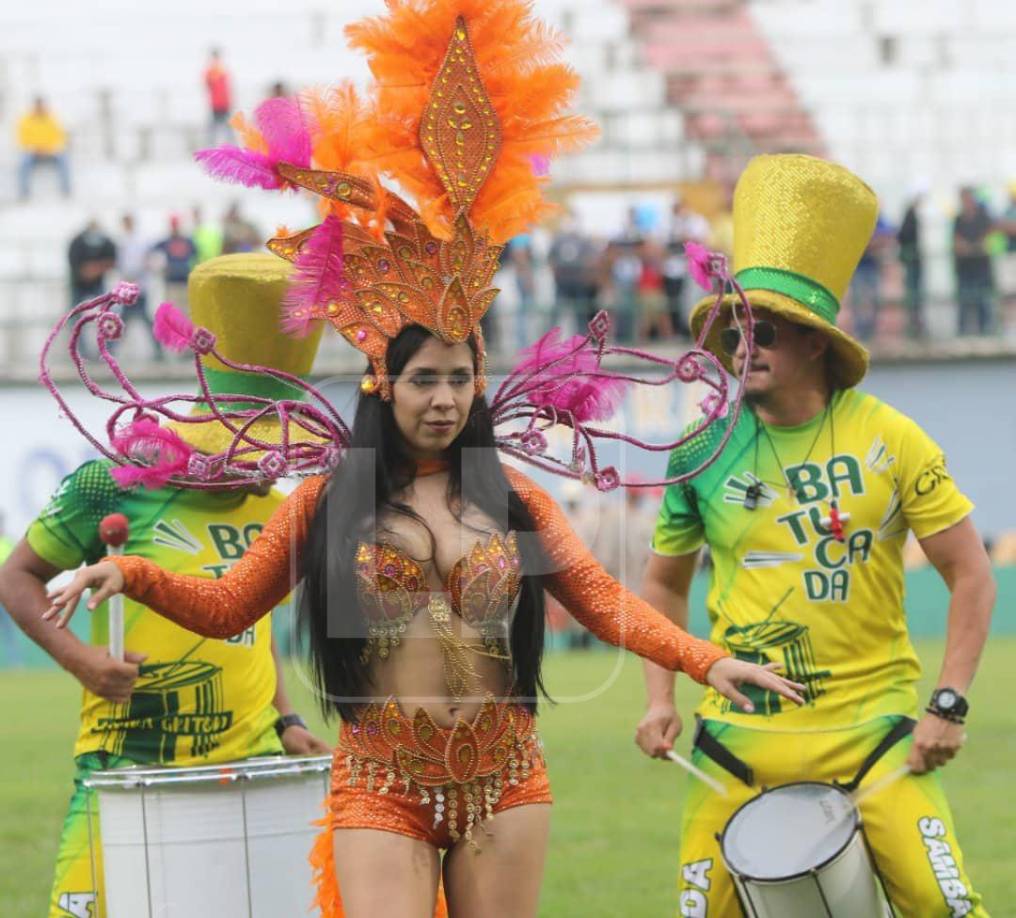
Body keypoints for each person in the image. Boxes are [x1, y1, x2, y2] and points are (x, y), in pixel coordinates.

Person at [41, 7, 804, 915]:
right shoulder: (333, 498)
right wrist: (129, 572)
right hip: (380, 779)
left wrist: (706, 661)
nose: (443, 399)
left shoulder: (513, 500)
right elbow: (225, 604)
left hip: (505, 778)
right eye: (423, 381)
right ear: (382, 385)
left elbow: (600, 602)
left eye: (458, 379)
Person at [635, 154, 995, 916]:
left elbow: (971, 572)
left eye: (766, 329)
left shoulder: (892, 438)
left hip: (874, 737)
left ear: (816, 344)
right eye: (735, 328)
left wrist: (949, 705)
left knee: (945, 906)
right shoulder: (699, 448)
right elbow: (664, 582)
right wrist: (660, 696)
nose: (744, 345)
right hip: (736, 741)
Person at [1, 254, 330, 917]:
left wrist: (288, 717)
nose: (270, 469)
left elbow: (251, 620)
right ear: (214, 436)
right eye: (258, 449)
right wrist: (84, 662)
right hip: (126, 767)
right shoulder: (113, 488)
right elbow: (17, 577)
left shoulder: (280, 507)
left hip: (252, 767)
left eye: (282, 451)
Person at [116, 213, 163, 359]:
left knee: (143, 318)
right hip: (126, 288)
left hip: (140, 286)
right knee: (124, 320)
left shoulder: (141, 240)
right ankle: (112, 349)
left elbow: (148, 261)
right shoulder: (122, 241)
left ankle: (157, 349)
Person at [954, 187, 996, 336]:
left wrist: (970, 247)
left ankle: (986, 333)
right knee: (964, 302)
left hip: (981, 267)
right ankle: (963, 334)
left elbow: (988, 240)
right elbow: (957, 244)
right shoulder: (959, 218)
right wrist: (974, 247)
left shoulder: (983, 217)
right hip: (965, 268)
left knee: (983, 302)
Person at [16, 96, 71, 200]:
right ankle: (24, 193)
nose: (39, 108)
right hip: (33, 151)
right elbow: (22, 138)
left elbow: (61, 136)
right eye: (37, 106)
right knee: (23, 163)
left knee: (64, 160)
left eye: (41, 106)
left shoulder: (52, 119)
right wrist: (34, 148)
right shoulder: (26, 120)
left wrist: (50, 148)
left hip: (50, 151)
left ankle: (66, 190)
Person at [898, 186, 926, 339]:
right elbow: (905, 236)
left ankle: (915, 323)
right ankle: (915, 324)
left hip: (913, 260)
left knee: (914, 292)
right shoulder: (911, 215)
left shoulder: (910, 215)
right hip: (913, 260)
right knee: (914, 292)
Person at [152, 214, 197, 309]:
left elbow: (196, 256)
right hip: (171, 280)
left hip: (185, 280)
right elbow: (152, 252)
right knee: (173, 309)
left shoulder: (188, 241)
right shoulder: (165, 241)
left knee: (185, 309)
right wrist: (160, 269)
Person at [203, 48, 232, 146]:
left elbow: (227, 88)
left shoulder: (222, 70)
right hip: (215, 104)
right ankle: (211, 147)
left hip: (224, 103)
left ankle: (231, 147)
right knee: (214, 128)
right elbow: (208, 84)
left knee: (228, 128)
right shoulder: (211, 71)